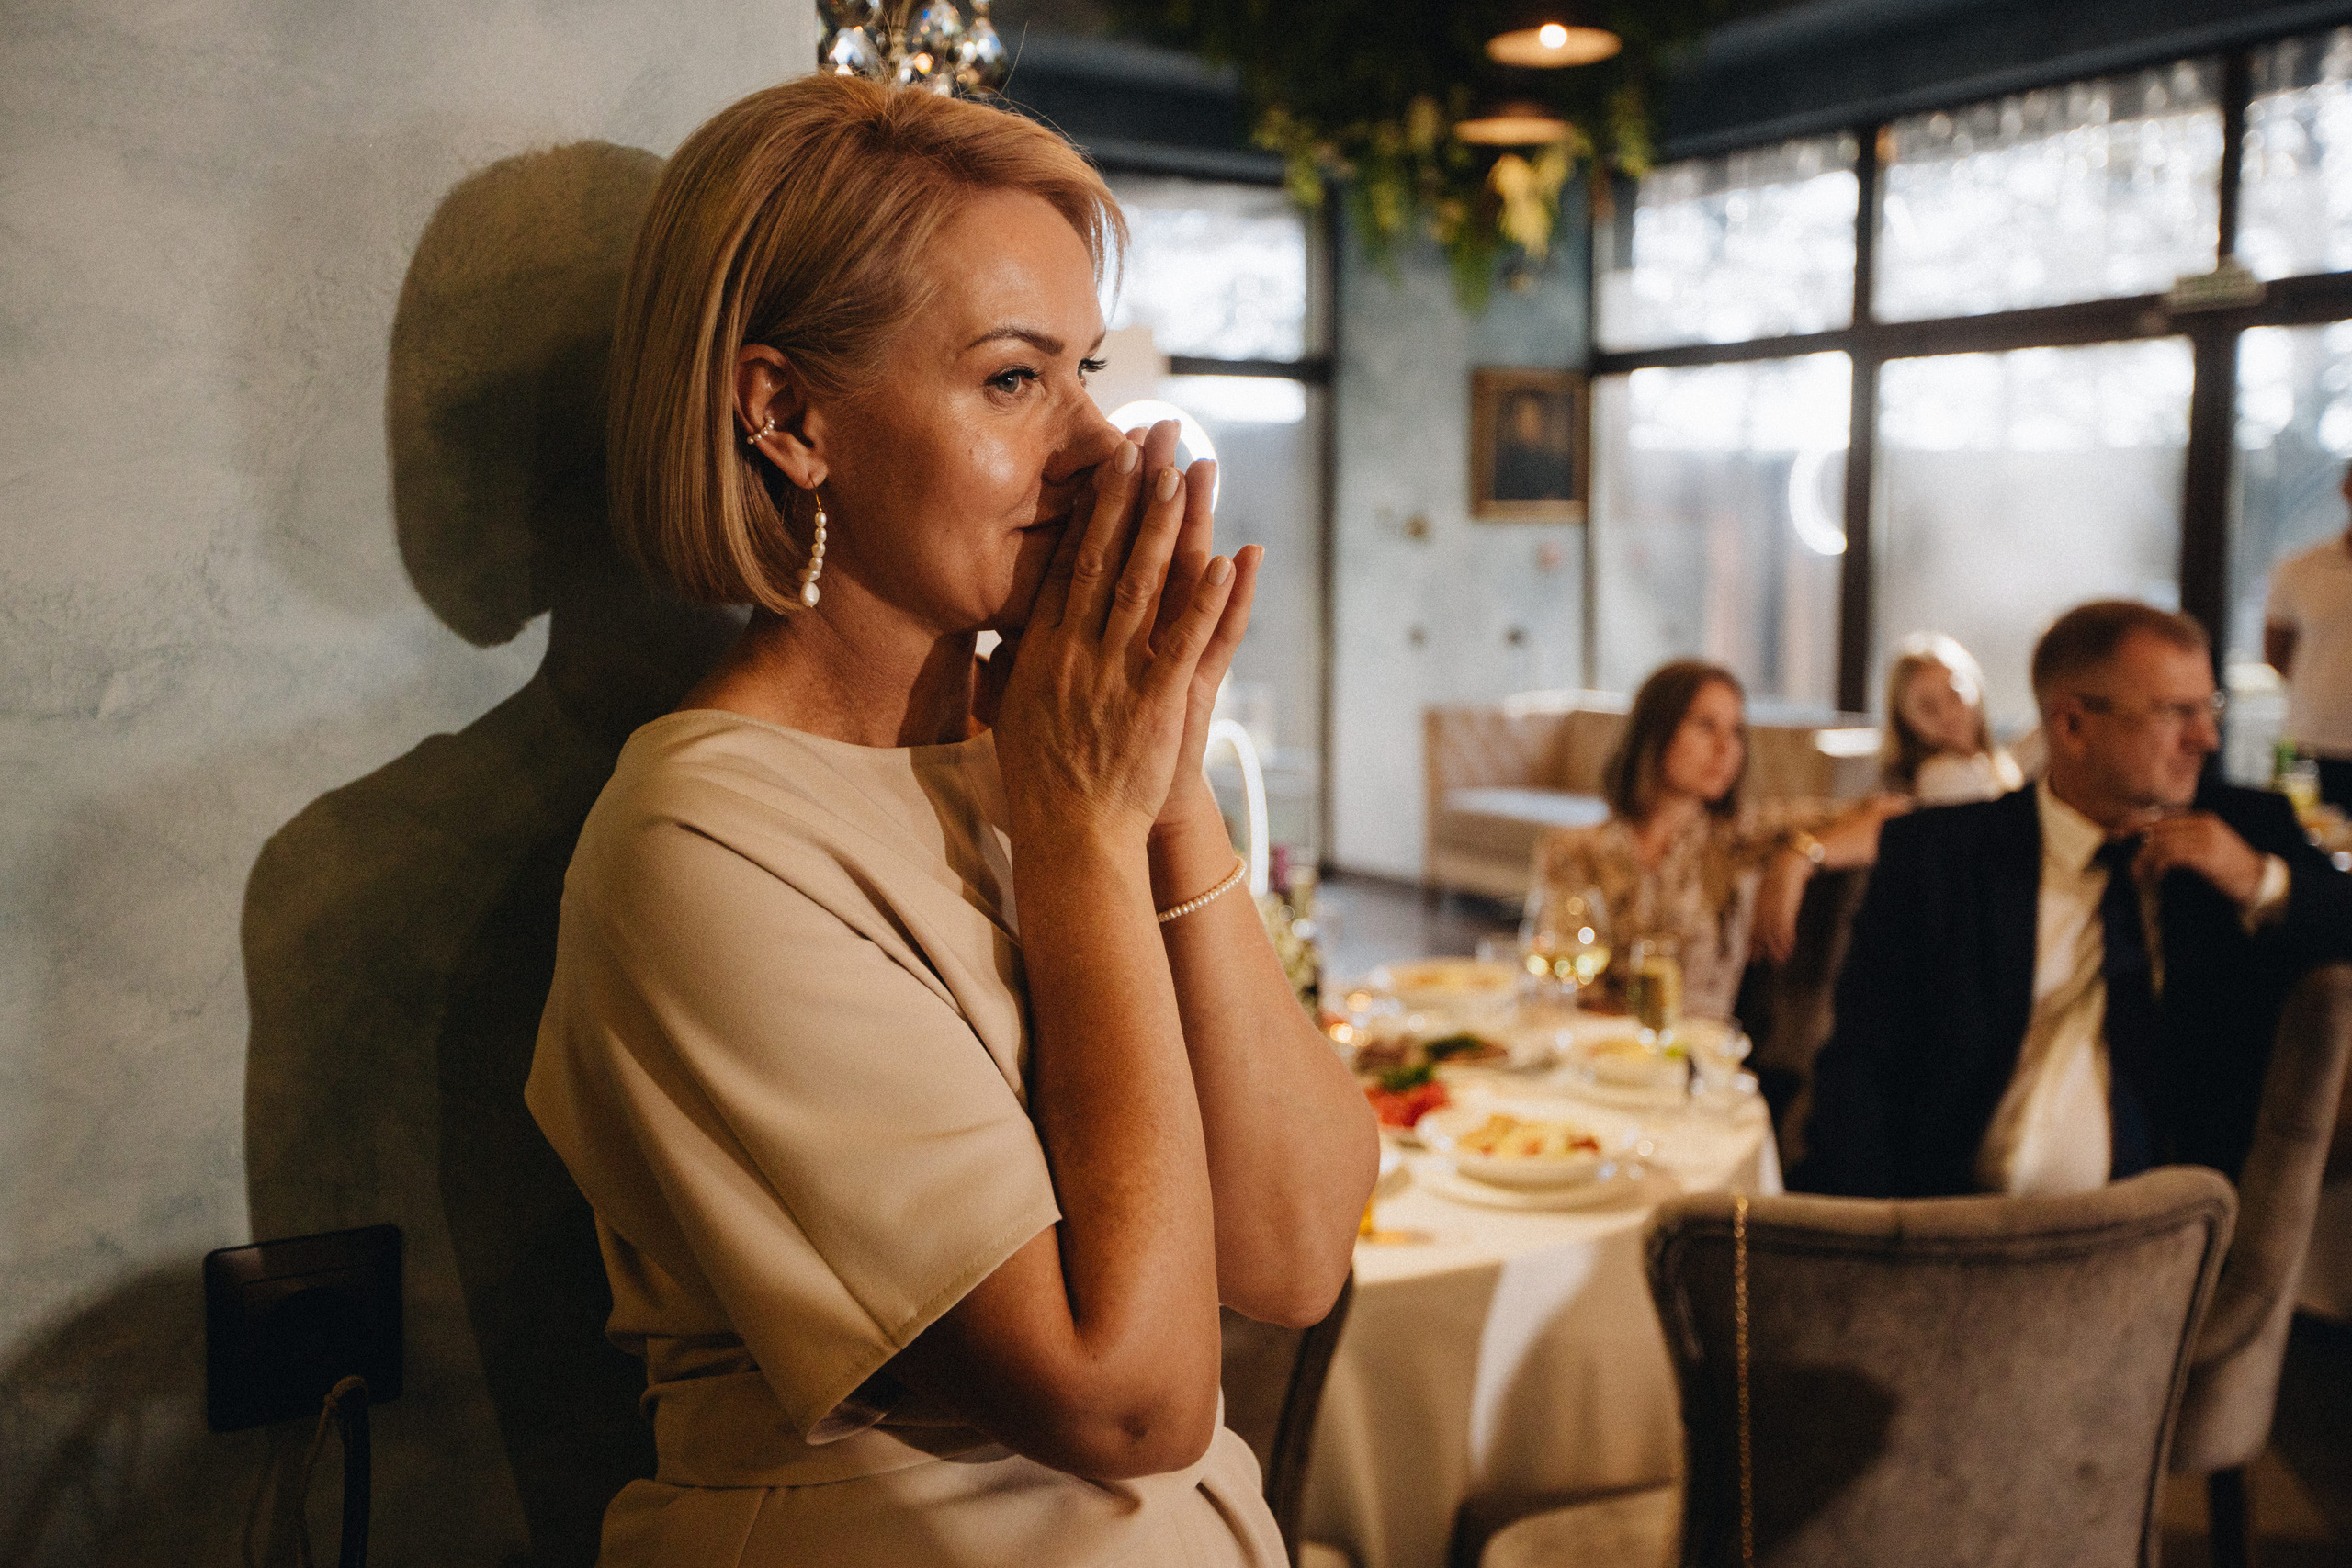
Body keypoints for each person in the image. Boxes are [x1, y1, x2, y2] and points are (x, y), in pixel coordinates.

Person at [525, 76, 1377, 1566]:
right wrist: (1082, 833)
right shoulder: (700, 841)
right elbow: (1126, 1400)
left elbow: (1297, 1250)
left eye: (1086, 370)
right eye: (1012, 379)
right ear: (787, 416)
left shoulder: (1041, 754)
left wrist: (1161, 775)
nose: (1100, 447)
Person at [1796, 600, 2352, 1199]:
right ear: (2072, 726)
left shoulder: (2245, 831)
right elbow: (1856, 1071)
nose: (2206, 737)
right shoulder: (1941, 856)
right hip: (1962, 1221)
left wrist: (2259, 879)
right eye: (2176, 712)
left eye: (2208, 707)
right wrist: (1890, 1241)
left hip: (2173, 1227)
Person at [1530, 660, 1903, 1022]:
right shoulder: (1574, 849)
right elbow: (1563, 988)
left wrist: (1800, 856)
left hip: (1699, 1051)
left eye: (1736, 731)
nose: (1727, 748)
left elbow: (1896, 817)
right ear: (1655, 731)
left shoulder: (1740, 838)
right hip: (1595, 1048)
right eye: (1706, 726)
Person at [2265, 468, 2352, 811]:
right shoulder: (2300, 568)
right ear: (2347, 489)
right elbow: (2276, 650)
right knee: (2313, 838)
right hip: (2316, 739)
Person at [1879, 631, 2023, 805]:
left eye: (1955, 694)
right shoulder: (1941, 775)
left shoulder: (1993, 763)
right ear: (1906, 720)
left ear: (1975, 686)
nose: (1947, 715)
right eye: (1927, 707)